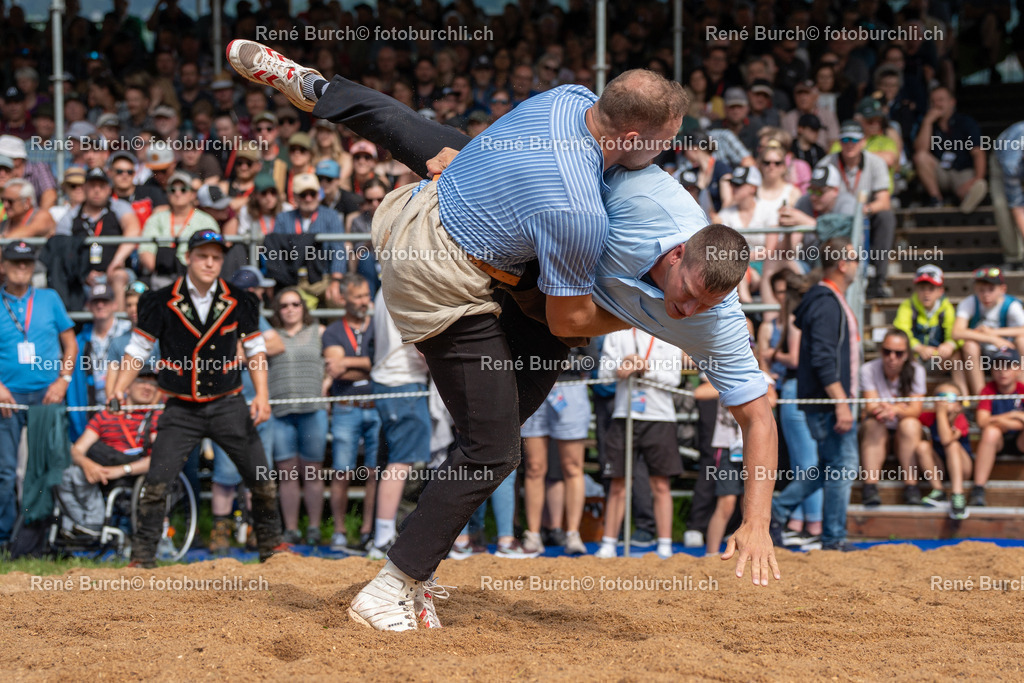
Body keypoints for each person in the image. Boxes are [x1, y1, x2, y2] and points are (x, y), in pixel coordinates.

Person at [229, 42, 779, 630]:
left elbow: (759, 415)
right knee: (493, 446)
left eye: (704, 303)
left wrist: (758, 521)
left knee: (456, 149)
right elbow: (570, 317)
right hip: (439, 264)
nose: (688, 306)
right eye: (662, 141)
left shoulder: (570, 101)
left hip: (496, 226)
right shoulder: (585, 209)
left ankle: (320, 90)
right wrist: (647, 315)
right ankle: (388, 589)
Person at [107, 230, 286, 567]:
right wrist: (119, 386)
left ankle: (272, 548)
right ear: (188, 258)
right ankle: (143, 557)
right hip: (180, 406)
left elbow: (255, 349)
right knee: (157, 482)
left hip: (228, 403)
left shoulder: (242, 300)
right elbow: (138, 349)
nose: (209, 262)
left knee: (261, 478)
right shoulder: (158, 301)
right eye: (203, 256)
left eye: (216, 257)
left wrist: (261, 394)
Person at [770, 237, 860, 551]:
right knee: (842, 466)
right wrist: (841, 403)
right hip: (828, 401)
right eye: (855, 257)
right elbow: (823, 358)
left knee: (828, 466)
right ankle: (833, 538)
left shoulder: (826, 299)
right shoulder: (825, 301)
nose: (859, 262)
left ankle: (776, 512)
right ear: (842, 264)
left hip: (825, 400)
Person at [0, 241, 77, 550]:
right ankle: (5, 540)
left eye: (28, 263)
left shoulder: (49, 299)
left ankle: (41, 537)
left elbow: (70, 344)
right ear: (3, 266)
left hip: (47, 394)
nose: (23, 268)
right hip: (8, 398)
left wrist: (64, 380)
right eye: (16, 262)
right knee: (6, 472)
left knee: (47, 467)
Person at [594, 327, 683, 560]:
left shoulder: (667, 331)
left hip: (660, 417)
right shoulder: (617, 332)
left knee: (661, 484)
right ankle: (609, 543)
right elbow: (603, 375)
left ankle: (664, 544)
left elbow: (673, 379)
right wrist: (622, 365)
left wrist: (644, 367)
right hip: (624, 414)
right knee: (617, 483)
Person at [365, 286, 431, 562]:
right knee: (400, 463)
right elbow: (421, 345)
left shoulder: (386, 285)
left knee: (396, 462)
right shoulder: (406, 281)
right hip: (403, 382)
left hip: (393, 380)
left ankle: (382, 535)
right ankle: (381, 539)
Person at [58, 367, 159, 538]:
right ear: (126, 386)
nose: (147, 387)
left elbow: (158, 460)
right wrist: (88, 465)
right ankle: (85, 524)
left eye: (152, 384)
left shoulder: (157, 417)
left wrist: (121, 470)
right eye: (141, 381)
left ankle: (93, 524)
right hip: (100, 471)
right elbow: (77, 450)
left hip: (133, 473)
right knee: (66, 473)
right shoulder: (106, 415)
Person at [764, 270, 821, 545]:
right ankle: (800, 523)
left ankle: (811, 524)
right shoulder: (784, 321)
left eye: (787, 291)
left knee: (808, 464)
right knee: (802, 464)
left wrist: (770, 354)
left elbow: (796, 359)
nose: (782, 296)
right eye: (779, 291)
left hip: (795, 390)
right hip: (790, 391)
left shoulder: (796, 321)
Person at [267, 287, 328, 545]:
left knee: (313, 471)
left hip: (313, 411)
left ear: (303, 307)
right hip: (280, 413)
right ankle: (290, 529)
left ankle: (314, 528)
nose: (290, 309)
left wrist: (326, 384)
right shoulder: (270, 336)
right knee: (287, 473)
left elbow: (333, 362)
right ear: (278, 310)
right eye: (284, 305)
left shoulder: (320, 332)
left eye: (295, 304)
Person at [817, 121, 896, 298]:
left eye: (854, 139)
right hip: (836, 216)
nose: (849, 144)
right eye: (845, 139)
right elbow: (817, 198)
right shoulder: (827, 163)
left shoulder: (876, 162)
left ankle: (878, 279)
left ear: (863, 142)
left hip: (865, 213)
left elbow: (884, 202)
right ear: (839, 142)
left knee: (886, 217)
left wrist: (862, 211)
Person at [858, 328, 931, 507]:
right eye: (887, 351)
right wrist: (895, 408)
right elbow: (871, 406)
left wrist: (892, 409)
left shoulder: (916, 370)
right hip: (879, 428)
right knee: (875, 424)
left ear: (906, 354)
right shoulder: (868, 369)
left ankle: (911, 486)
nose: (892, 357)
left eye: (898, 353)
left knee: (910, 424)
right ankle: (870, 486)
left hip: (903, 433)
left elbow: (916, 410)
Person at [138, 171, 219, 289]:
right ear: (167, 194)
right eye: (172, 190)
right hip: (162, 276)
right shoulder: (156, 219)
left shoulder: (206, 221)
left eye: (183, 189)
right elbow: (145, 250)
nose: (177, 193)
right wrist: (160, 268)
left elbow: (213, 250)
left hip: (197, 277)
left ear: (192, 194)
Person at [913, 86, 987, 212]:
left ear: (952, 102)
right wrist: (927, 122)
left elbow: (978, 152)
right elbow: (920, 149)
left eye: (941, 100)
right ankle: (936, 200)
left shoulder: (966, 122)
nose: (937, 104)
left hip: (962, 172)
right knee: (920, 157)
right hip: (940, 173)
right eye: (933, 101)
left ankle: (965, 200)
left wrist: (978, 178)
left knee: (977, 186)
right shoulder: (929, 124)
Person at [893, 264, 965, 393]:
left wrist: (949, 344)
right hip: (913, 358)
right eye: (922, 288)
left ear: (940, 291)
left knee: (956, 355)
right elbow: (901, 333)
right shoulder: (907, 306)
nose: (926, 293)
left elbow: (955, 335)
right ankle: (904, 395)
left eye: (931, 288)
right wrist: (919, 348)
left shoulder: (946, 308)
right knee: (898, 355)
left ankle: (963, 398)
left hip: (938, 358)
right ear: (916, 289)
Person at [953, 267, 1024, 395]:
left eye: (991, 290)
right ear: (975, 289)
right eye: (981, 290)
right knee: (969, 345)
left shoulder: (1012, 305)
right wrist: (992, 339)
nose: (986, 294)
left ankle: (1020, 391)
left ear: (1003, 289)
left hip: (1007, 353)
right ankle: (982, 397)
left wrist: (994, 333)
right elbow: (957, 332)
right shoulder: (970, 302)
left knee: (1022, 341)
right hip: (982, 353)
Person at [971, 347, 1024, 509]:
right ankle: (978, 489)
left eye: (1008, 366)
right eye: (998, 366)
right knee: (990, 432)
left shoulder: (1022, 389)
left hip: (1020, 440)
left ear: (1017, 369)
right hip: (996, 441)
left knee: (993, 428)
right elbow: (982, 422)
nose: (1002, 371)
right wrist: (1013, 415)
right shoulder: (988, 390)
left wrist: (999, 421)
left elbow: (989, 419)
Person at [915, 382, 973, 521]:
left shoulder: (960, 420)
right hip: (941, 467)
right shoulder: (929, 417)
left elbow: (947, 439)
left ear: (958, 405)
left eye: (950, 398)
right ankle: (938, 490)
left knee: (952, 445)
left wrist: (941, 415)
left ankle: (957, 494)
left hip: (962, 469)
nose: (944, 402)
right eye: (940, 397)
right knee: (922, 447)